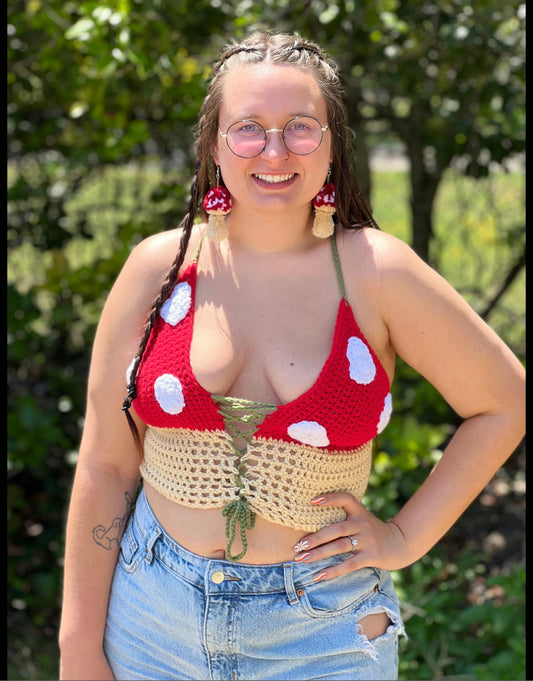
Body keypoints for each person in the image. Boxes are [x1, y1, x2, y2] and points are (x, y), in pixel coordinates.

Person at [58, 32, 525, 681]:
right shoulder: (158, 268)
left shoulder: (374, 272)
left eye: (299, 127)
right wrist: (77, 647)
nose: (274, 150)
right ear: (213, 143)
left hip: (320, 633)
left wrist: (403, 537)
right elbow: (107, 464)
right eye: (248, 128)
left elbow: (504, 401)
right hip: (150, 617)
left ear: (330, 142)